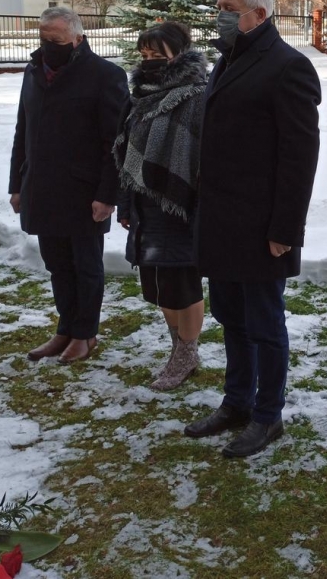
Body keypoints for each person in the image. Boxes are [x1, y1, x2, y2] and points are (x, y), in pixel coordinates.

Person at [183, 0, 321, 458]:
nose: (220, 15)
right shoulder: (228, 60)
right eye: (219, 6)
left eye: (229, 7)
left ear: (259, 14)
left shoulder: (289, 67)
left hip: (262, 228)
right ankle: (237, 402)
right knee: (231, 318)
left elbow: (299, 158)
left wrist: (285, 229)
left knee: (264, 324)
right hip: (221, 221)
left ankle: (268, 414)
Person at [9, 7, 129, 363]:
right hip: (42, 187)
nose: (49, 46)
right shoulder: (34, 71)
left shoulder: (105, 75)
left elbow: (115, 142)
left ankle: (85, 334)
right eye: (43, 38)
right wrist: (17, 184)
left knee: (85, 266)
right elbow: (23, 130)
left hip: (83, 191)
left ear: (78, 38)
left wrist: (107, 195)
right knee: (57, 264)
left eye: (56, 40)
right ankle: (65, 328)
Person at [114, 22, 208, 390]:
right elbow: (124, 152)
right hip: (145, 207)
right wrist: (126, 204)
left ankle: (186, 353)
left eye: (157, 53)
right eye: (145, 54)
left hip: (181, 208)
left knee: (182, 286)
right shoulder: (140, 95)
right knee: (158, 287)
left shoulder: (198, 96)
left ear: (180, 54)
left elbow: (203, 157)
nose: (149, 60)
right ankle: (178, 347)